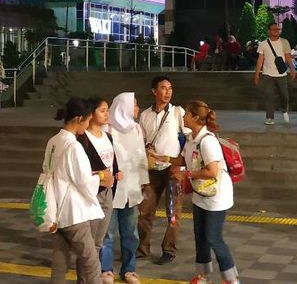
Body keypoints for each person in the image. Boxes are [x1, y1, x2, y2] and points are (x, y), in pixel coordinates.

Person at [46, 97, 114, 284]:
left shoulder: (53, 141)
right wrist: (101, 176)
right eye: (87, 119)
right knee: (91, 262)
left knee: (60, 260)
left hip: (56, 210)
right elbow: (84, 182)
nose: (87, 124)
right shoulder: (74, 146)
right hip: (73, 213)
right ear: (78, 119)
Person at [173, 101, 240, 284]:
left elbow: (212, 171)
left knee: (213, 237)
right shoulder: (191, 139)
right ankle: (203, 276)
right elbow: (180, 161)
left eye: (186, 113)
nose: (183, 117)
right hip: (200, 193)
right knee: (200, 236)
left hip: (216, 196)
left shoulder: (207, 141)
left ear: (195, 117)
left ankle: (231, 279)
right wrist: (157, 157)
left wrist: (186, 174)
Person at [138, 75, 188, 265]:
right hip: (152, 168)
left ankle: (169, 249)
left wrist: (181, 163)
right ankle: (142, 249)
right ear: (154, 91)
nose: (167, 92)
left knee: (173, 212)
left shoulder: (177, 112)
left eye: (170, 88)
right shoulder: (145, 115)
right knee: (144, 211)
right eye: (163, 88)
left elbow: (188, 136)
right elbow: (141, 141)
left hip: (173, 168)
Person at [101, 92, 148, 284]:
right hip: (112, 190)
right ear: (124, 107)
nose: (137, 109)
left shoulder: (136, 128)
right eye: (134, 105)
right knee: (107, 233)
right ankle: (106, 270)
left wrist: (144, 181)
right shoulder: (108, 128)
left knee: (131, 233)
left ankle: (129, 270)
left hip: (132, 188)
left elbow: (141, 156)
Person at [77, 97, 121, 282]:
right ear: (91, 113)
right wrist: (101, 176)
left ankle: (91, 278)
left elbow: (111, 162)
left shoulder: (107, 136)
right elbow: (81, 170)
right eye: (102, 110)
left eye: (107, 110)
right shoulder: (82, 140)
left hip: (107, 193)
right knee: (89, 245)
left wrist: (116, 172)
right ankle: (85, 279)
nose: (106, 114)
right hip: (91, 195)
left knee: (98, 241)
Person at [254, 22, 297, 125]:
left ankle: (284, 110)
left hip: (281, 74)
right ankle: (270, 117)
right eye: (274, 29)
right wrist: (256, 74)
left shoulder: (284, 42)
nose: (277, 31)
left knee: (284, 95)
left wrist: (292, 69)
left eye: (278, 29)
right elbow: (260, 60)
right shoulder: (263, 44)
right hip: (267, 73)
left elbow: (288, 57)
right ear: (269, 31)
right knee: (269, 95)